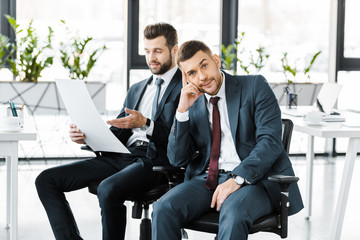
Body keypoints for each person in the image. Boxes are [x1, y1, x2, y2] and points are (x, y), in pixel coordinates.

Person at [35, 22, 182, 240]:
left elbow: (182, 137)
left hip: (154, 162)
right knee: (46, 180)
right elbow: (120, 132)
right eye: (147, 51)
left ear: (174, 50)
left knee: (107, 188)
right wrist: (88, 136)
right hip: (121, 156)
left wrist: (145, 123)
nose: (151, 58)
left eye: (158, 51)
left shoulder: (185, 87)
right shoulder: (137, 89)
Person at [152, 40, 303, 240]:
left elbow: (270, 142)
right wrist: (182, 112)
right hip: (208, 179)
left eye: (204, 65)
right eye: (192, 73)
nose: (202, 77)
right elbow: (177, 159)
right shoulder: (191, 102)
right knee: (163, 208)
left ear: (216, 60)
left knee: (233, 212)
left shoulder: (255, 86)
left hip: (255, 181)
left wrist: (237, 179)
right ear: (186, 78)